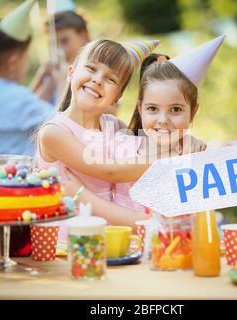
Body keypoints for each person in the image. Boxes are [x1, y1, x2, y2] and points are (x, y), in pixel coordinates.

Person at [36, 39, 160, 230]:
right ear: (71, 72)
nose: (98, 80)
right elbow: (111, 170)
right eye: (91, 68)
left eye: (111, 79)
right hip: (67, 239)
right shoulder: (54, 133)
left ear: (117, 96)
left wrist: (184, 146)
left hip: (110, 235)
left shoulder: (114, 127)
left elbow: (146, 151)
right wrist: (169, 158)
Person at [113, 35, 225, 211]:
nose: (163, 120)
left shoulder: (194, 154)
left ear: (193, 111)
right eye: (152, 109)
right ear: (140, 108)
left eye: (175, 110)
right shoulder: (120, 147)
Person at [0, 0, 59, 170]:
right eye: (25, 57)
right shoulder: (18, 98)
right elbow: (59, 122)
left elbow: (22, 113)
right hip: (22, 182)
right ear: (13, 61)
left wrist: (44, 83)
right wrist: (63, 82)